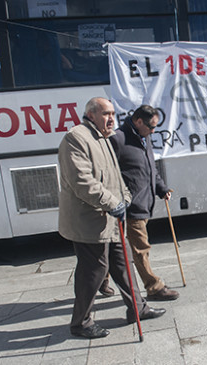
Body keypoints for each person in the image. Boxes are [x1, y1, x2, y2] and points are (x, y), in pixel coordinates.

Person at [58, 97, 165, 339]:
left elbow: (117, 176)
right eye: (105, 113)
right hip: (89, 222)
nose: (111, 118)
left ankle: (137, 308)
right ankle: (81, 323)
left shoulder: (104, 138)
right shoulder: (77, 138)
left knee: (123, 262)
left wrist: (124, 198)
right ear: (91, 114)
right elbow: (82, 182)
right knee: (94, 270)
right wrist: (112, 202)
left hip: (111, 219)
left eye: (113, 114)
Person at [106, 104, 180, 301]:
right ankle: (154, 287)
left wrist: (162, 188)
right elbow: (107, 173)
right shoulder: (118, 139)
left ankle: (102, 279)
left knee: (109, 247)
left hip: (145, 202)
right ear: (138, 121)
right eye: (151, 126)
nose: (154, 131)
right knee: (140, 248)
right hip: (130, 206)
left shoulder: (143, 136)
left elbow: (150, 168)